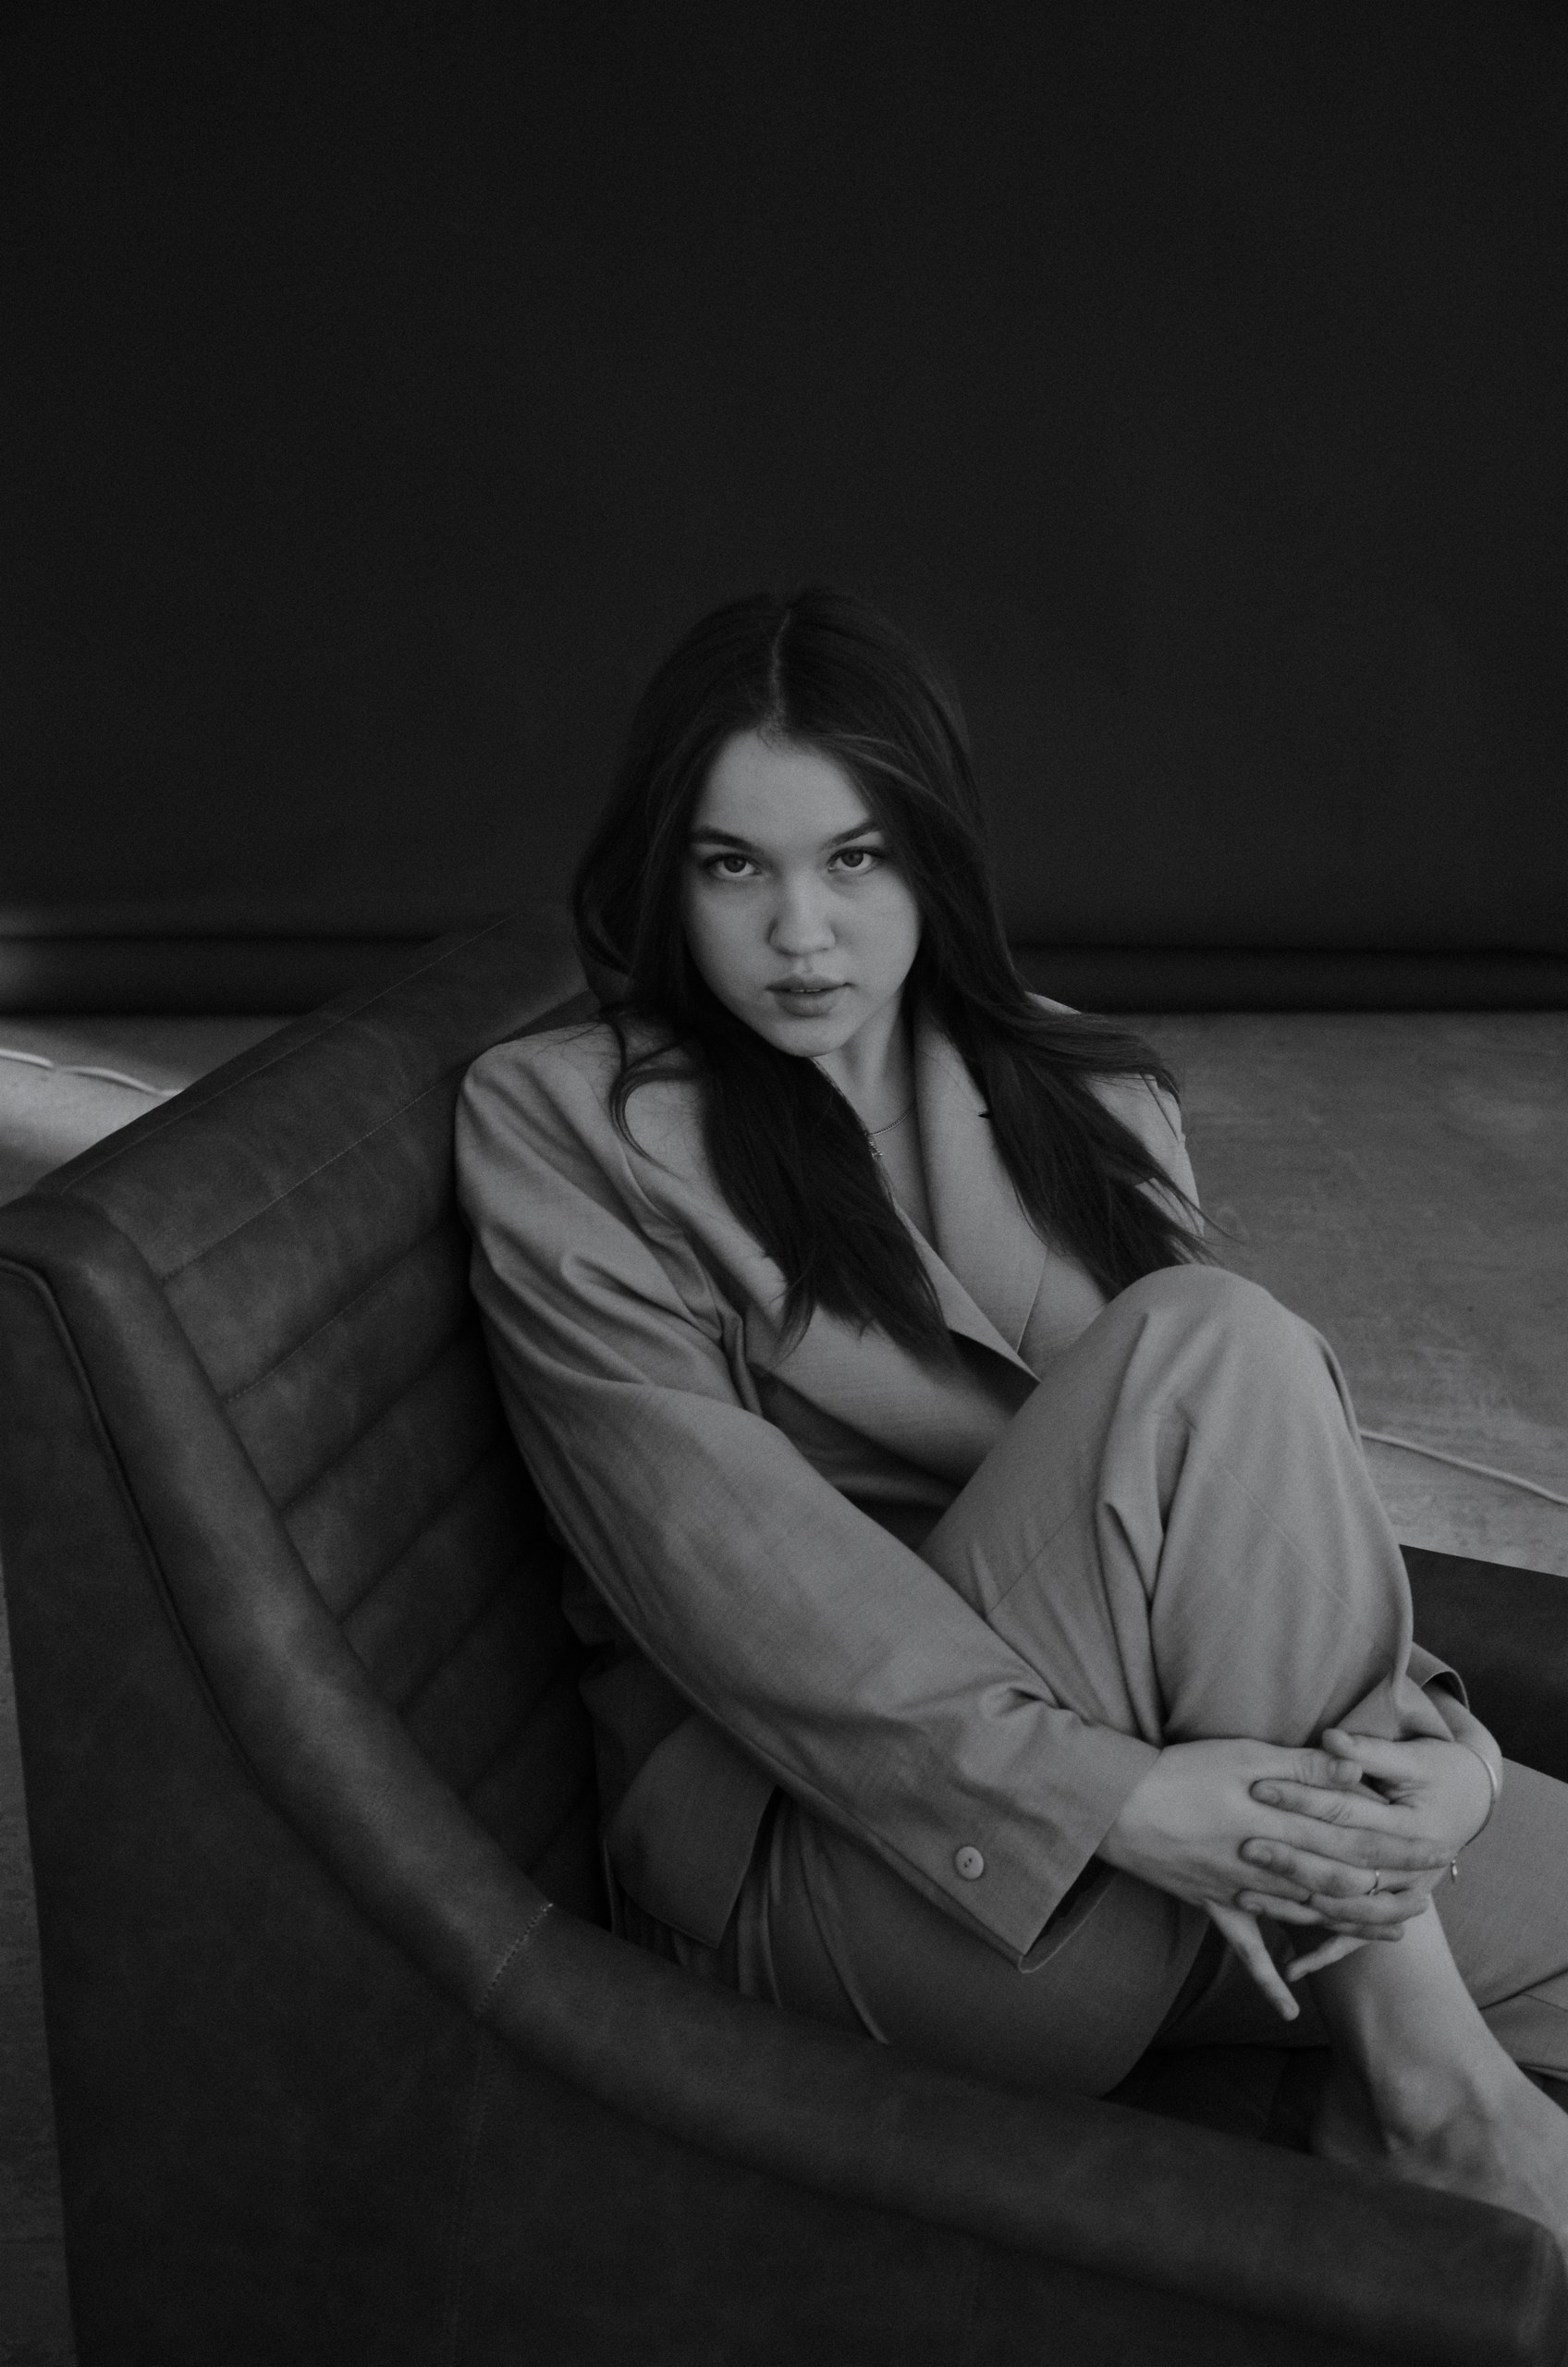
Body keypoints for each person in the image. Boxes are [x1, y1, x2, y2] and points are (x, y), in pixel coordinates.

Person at [456, 586, 1568, 2250]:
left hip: (1191, 1805)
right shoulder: (567, 1124)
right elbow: (730, 1583)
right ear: (666, 878)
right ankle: (1432, 2096)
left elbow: (1253, 1517)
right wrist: (1116, 1804)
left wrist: (1447, 1765)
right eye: (735, 867)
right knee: (1211, 1340)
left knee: (1235, 1375)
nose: (803, 934)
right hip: (876, 1879)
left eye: (855, 858)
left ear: (935, 857)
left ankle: (1364, 2073)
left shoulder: (1084, 1091)